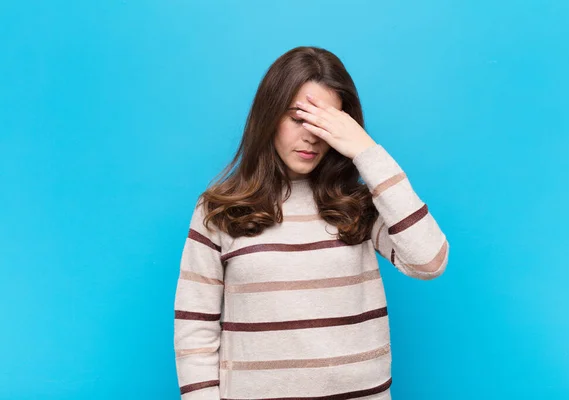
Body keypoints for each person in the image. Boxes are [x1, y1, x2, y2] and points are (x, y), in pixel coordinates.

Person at [173, 46, 449, 399]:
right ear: (269, 116)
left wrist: (368, 152)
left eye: (327, 122)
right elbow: (195, 330)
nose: (312, 135)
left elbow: (429, 262)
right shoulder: (221, 209)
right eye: (298, 117)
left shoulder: (360, 205)